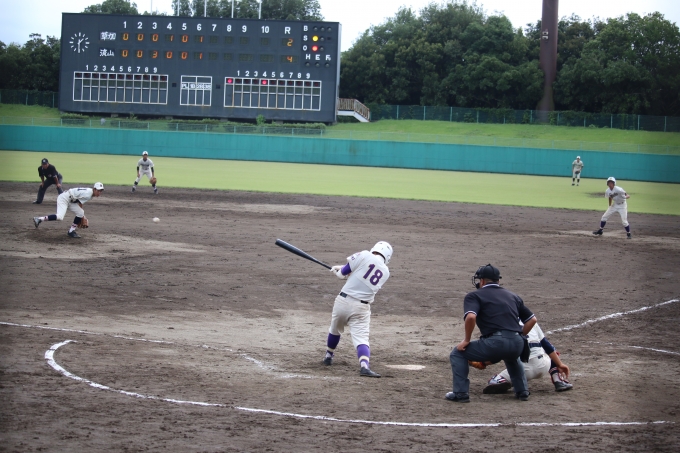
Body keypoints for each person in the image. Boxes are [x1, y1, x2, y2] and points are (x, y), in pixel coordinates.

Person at [446, 264, 536, 403]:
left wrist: (466, 340)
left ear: (482, 281)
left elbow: (471, 317)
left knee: (457, 353)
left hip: (495, 343)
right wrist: (518, 336)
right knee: (512, 356)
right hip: (517, 344)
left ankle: (460, 393)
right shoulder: (513, 296)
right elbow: (532, 320)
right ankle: (522, 391)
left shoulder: (474, 295)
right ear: (498, 280)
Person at [323, 241, 393, 378]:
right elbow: (362, 274)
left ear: (374, 249)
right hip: (361, 308)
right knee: (361, 339)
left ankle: (328, 356)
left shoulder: (364, 254)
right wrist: (344, 270)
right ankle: (364, 366)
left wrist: (339, 270)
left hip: (342, 302)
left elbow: (342, 274)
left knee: (335, 329)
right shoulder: (385, 272)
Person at [478, 322, 573, 393]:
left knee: (494, 380)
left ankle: (506, 381)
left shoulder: (502, 324)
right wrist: (560, 364)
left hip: (523, 370)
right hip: (544, 365)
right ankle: (558, 380)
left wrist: (483, 363)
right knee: (549, 349)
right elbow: (547, 346)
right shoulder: (531, 320)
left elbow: (499, 354)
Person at [33, 182, 104, 238]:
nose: (99, 193)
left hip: (70, 200)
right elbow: (80, 203)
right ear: (94, 189)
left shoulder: (90, 192)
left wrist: (82, 216)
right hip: (64, 198)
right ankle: (39, 219)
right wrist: (83, 217)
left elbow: (78, 202)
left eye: (101, 191)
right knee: (60, 217)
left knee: (80, 213)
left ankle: (71, 231)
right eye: (98, 191)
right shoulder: (88, 194)